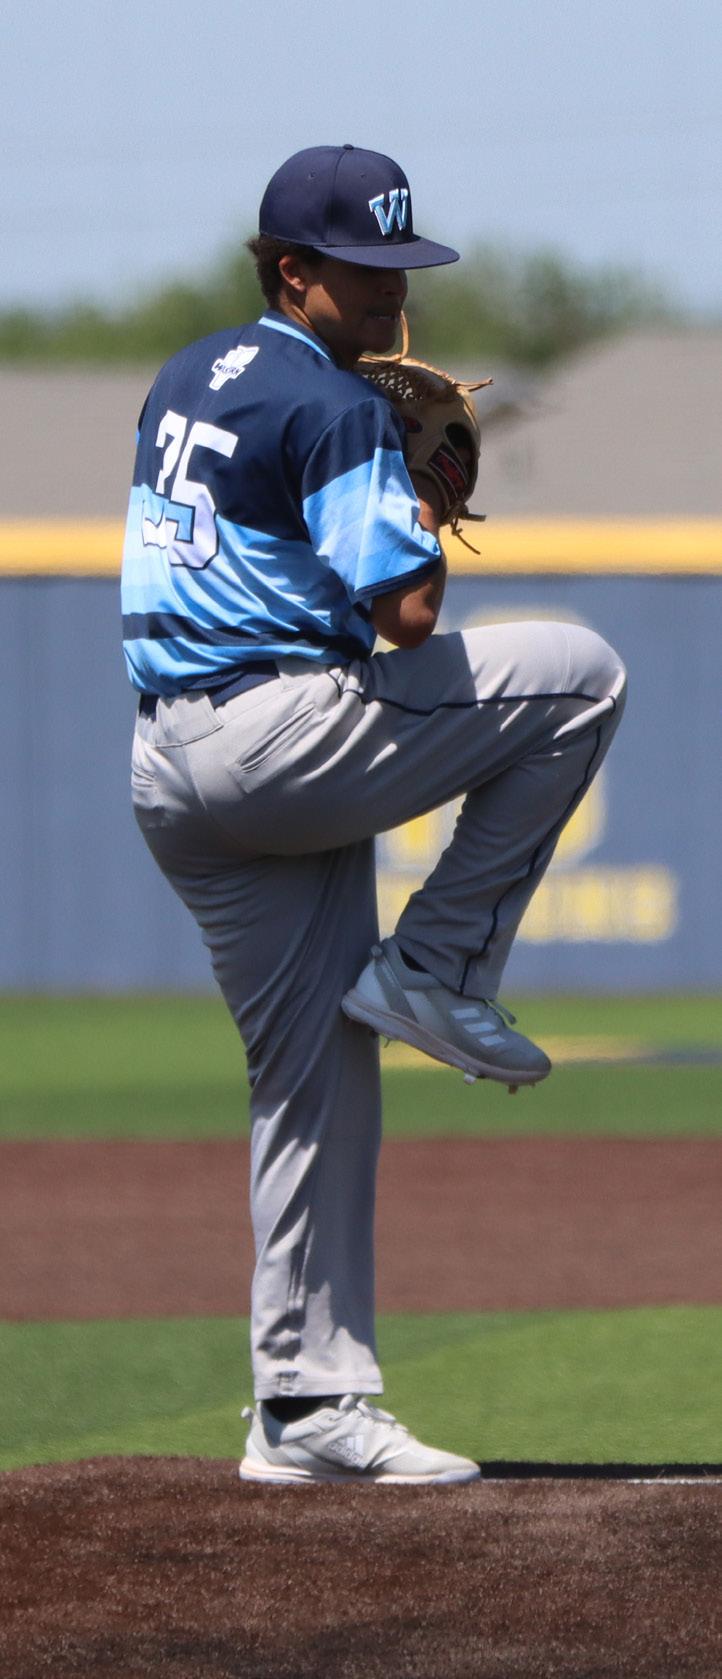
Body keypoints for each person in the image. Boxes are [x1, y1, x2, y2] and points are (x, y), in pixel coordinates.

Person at [121, 143, 626, 1486]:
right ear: (294, 271)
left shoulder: (188, 373)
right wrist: (423, 497)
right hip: (272, 738)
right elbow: (406, 614)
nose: (393, 291)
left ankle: (304, 1408)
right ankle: (441, 968)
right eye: (364, 268)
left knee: (313, 1078)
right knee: (581, 675)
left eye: (402, 264)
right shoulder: (332, 403)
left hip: (173, 765)